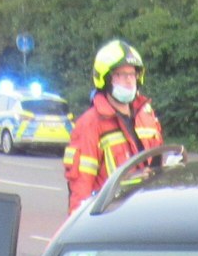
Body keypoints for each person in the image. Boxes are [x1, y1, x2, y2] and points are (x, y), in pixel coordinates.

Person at [64, 39, 163, 213]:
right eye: (120, 75)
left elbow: (161, 166)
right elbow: (81, 187)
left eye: (132, 74)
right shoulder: (90, 124)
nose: (128, 81)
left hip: (148, 211)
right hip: (112, 218)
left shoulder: (146, 115)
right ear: (105, 79)